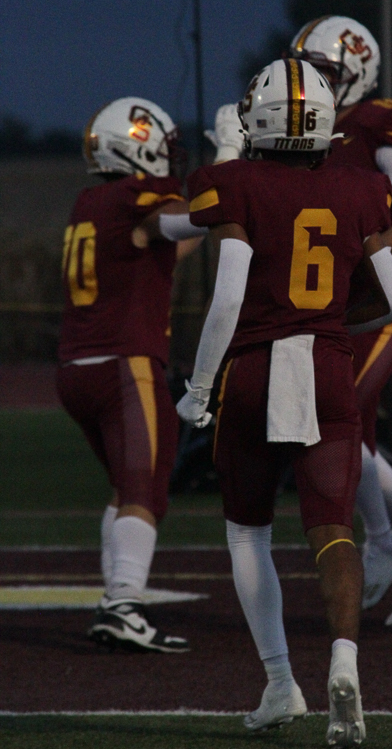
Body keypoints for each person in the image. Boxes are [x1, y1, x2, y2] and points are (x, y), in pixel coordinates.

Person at [178, 58, 392, 745]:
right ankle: (343, 658)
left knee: (248, 530)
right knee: (333, 528)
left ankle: (280, 682)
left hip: (251, 369)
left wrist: (196, 388)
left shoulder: (231, 183)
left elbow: (227, 292)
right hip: (330, 365)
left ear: (262, 117)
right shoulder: (361, 188)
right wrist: (333, 315)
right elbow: (391, 300)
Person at [290, 15, 392, 626]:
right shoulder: (308, 128)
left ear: (356, 75)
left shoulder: (374, 124)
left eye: (326, 71)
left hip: (384, 298)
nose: (312, 82)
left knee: (335, 418)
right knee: (345, 429)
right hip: (337, 301)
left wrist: (356, 255)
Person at [56, 97, 205, 652]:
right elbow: (180, 221)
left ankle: (116, 598)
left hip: (77, 369)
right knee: (145, 487)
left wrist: (213, 218)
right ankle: (124, 602)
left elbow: (166, 242)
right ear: (136, 146)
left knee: (127, 486)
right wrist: (235, 190)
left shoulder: (91, 201)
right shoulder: (133, 197)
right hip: (126, 364)